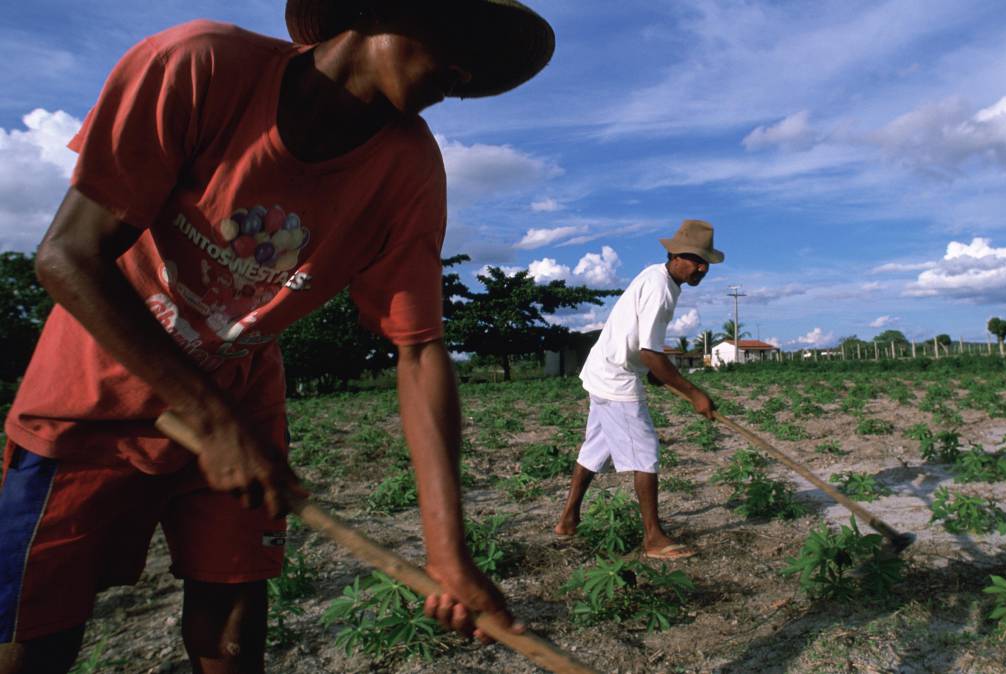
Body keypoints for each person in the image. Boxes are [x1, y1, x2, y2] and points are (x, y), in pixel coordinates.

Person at [0, 1, 554, 672]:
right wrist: (211, 421)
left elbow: (417, 349)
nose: (463, 73)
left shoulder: (406, 170)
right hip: (92, 398)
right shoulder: (200, 65)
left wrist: (448, 554)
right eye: (458, 33)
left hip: (240, 401)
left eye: (478, 69)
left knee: (232, 642)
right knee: (37, 638)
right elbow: (67, 256)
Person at [553, 219, 722, 560]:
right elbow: (649, 352)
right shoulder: (660, 288)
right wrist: (694, 394)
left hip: (606, 369)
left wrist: (654, 372)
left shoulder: (659, 279)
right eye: (695, 259)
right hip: (616, 377)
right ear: (675, 255)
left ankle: (568, 520)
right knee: (646, 452)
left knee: (594, 449)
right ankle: (654, 538)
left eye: (704, 262)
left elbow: (643, 346)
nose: (702, 267)